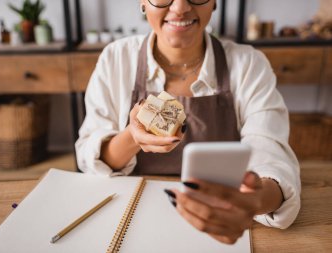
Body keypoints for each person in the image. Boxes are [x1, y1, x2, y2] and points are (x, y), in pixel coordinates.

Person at [76, 0, 300, 245]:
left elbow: (269, 151)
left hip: (224, 215)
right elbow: (90, 156)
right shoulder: (116, 58)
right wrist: (132, 136)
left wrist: (255, 201)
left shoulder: (248, 64)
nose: (180, 7)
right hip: (131, 218)